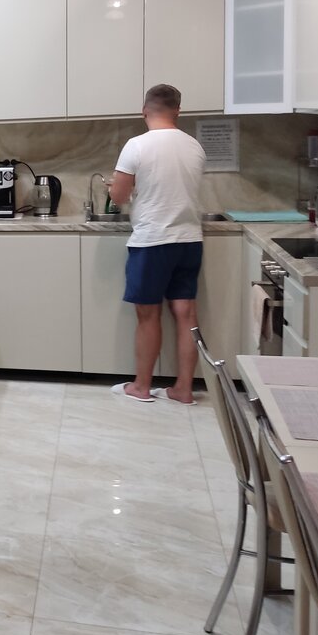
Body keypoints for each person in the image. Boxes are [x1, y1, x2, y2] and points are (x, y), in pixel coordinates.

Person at [109, 84, 207, 405]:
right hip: (189, 240)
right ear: (178, 110)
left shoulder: (137, 145)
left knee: (148, 315)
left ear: (144, 111)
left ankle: (141, 387)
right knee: (186, 314)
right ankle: (183, 390)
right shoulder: (194, 146)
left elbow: (119, 196)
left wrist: (116, 186)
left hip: (152, 241)